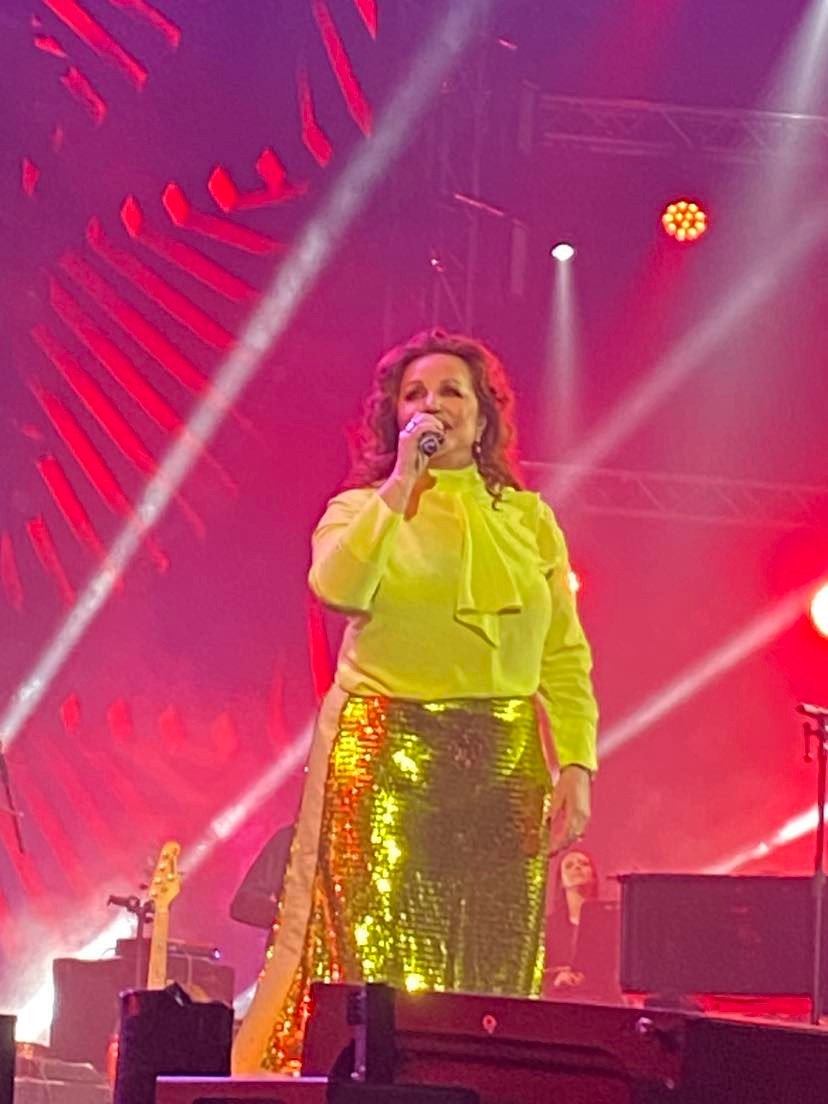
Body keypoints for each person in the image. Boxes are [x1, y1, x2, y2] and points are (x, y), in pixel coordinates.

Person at [232, 329, 599, 1073]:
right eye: (415, 394)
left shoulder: (530, 521)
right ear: (395, 417)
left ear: (483, 416)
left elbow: (564, 653)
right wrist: (403, 482)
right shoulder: (359, 508)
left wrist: (577, 763)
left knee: (494, 961)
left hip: (504, 762)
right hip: (387, 752)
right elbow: (336, 588)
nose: (433, 404)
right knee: (380, 964)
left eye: (452, 391)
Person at [544, 848, 599, 994]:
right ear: (561, 882)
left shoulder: (608, 926)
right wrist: (556, 979)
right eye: (569, 866)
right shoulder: (548, 927)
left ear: (594, 877)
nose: (577, 867)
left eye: (584, 864)